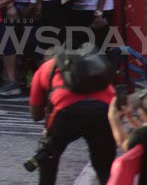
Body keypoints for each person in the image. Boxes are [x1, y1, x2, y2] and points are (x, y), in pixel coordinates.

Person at [28, 52, 117, 185]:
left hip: (66, 111)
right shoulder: (97, 65)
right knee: (104, 166)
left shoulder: (45, 67)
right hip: (103, 109)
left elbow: (36, 115)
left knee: (48, 153)